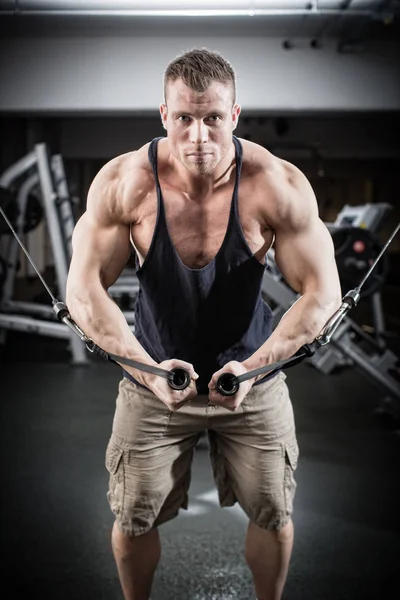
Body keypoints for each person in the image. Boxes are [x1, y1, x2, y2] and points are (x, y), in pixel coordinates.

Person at [65, 48, 342, 600]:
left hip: (254, 378)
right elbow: (83, 289)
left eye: (212, 117)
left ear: (234, 115)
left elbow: (323, 293)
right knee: (133, 517)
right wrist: (146, 372)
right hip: (152, 379)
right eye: (185, 118)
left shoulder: (276, 185)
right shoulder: (125, 183)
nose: (198, 136)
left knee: (273, 511)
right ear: (163, 115)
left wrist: (257, 369)